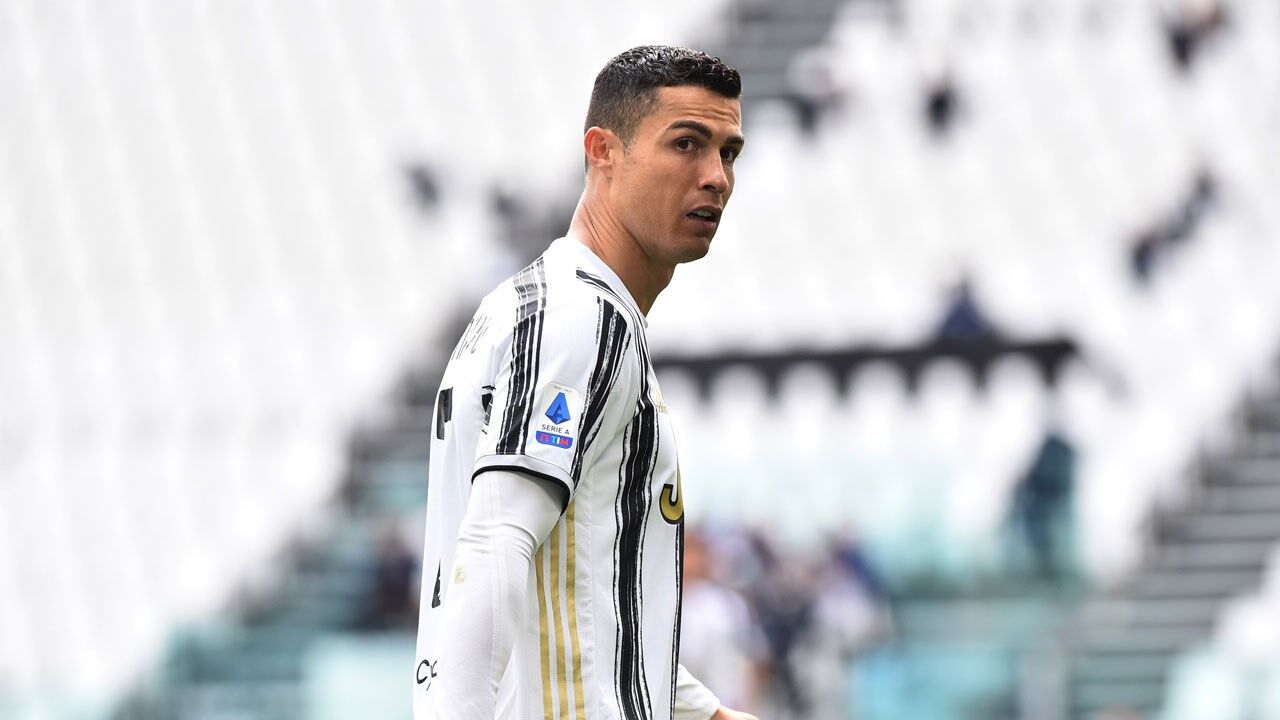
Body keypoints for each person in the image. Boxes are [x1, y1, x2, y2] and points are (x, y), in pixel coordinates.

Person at [413, 46, 757, 720]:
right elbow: (495, 543)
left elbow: (585, 600)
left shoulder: (544, 308)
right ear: (603, 152)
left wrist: (706, 714)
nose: (715, 177)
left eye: (728, 153)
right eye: (686, 144)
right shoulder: (581, 318)